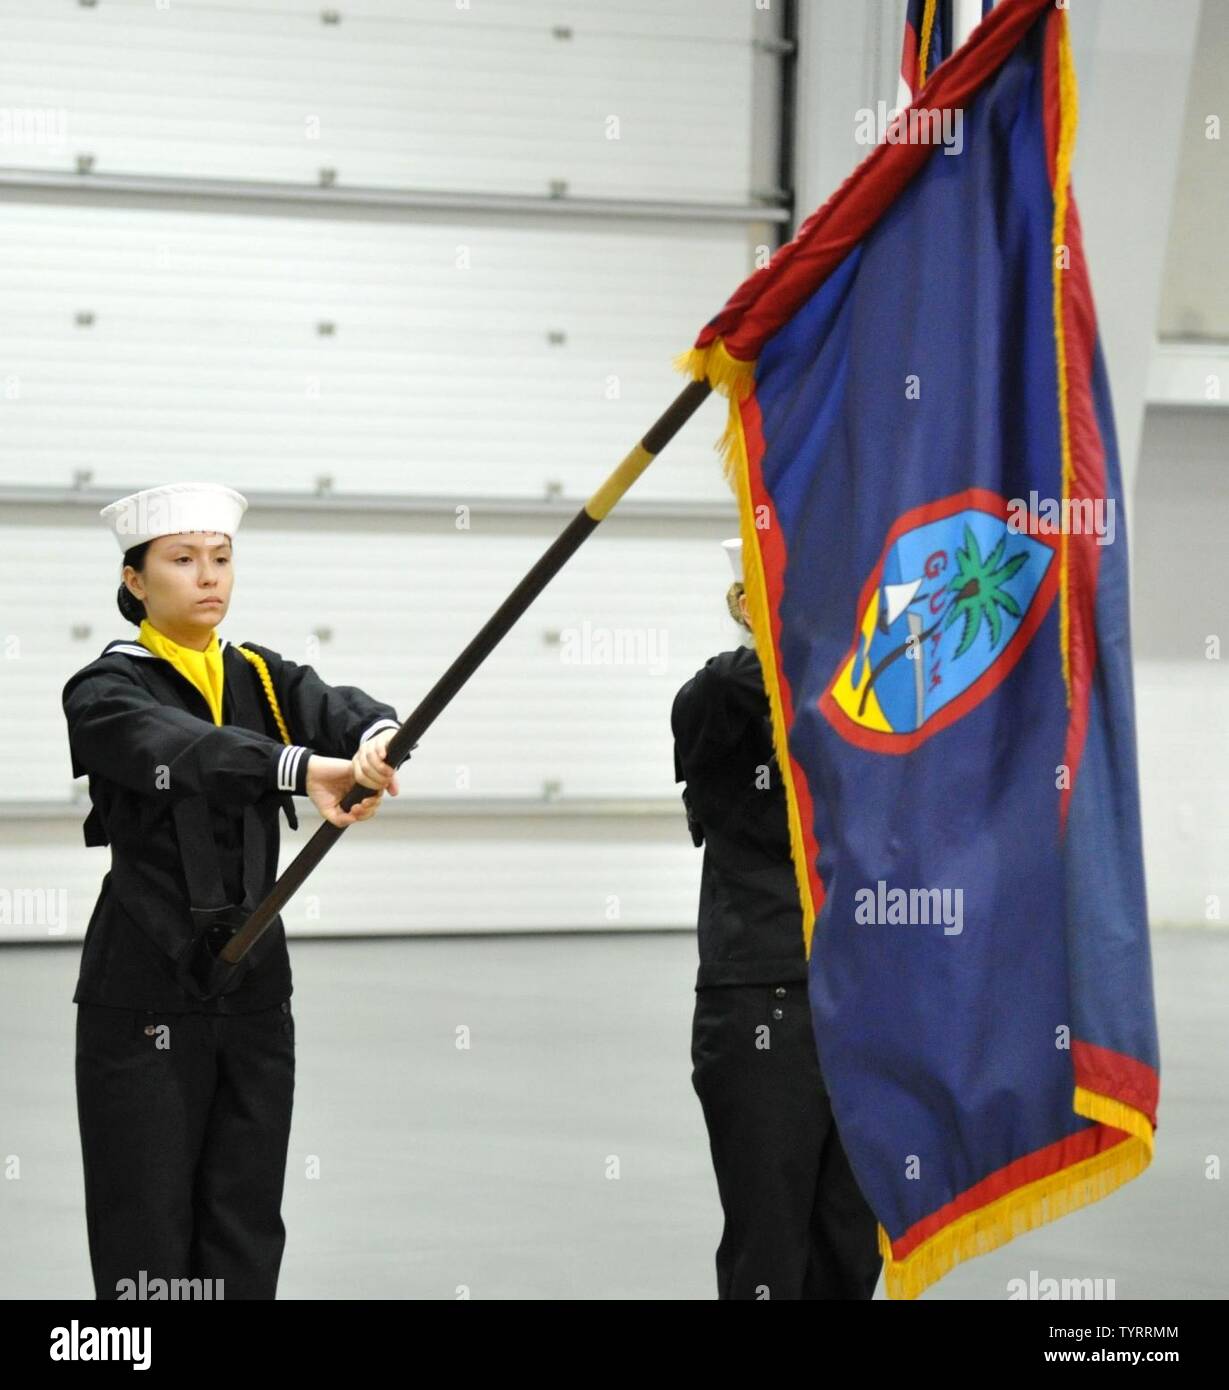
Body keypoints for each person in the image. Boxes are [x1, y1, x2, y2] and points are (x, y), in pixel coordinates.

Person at [62, 481, 408, 1300]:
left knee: (244, 1212)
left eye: (220, 559)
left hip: (254, 984)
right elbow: (192, 752)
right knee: (144, 1215)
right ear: (136, 581)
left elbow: (343, 710)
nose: (207, 576)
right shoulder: (106, 691)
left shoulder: (260, 670)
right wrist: (300, 767)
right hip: (146, 983)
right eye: (181, 560)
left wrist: (378, 740)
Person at [671, 537, 882, 1300]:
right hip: (761, 990)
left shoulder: (876, 700)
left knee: (850, 1244)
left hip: (865, 991)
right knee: (769, 1244)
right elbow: (750, 696)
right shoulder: (721, 695)